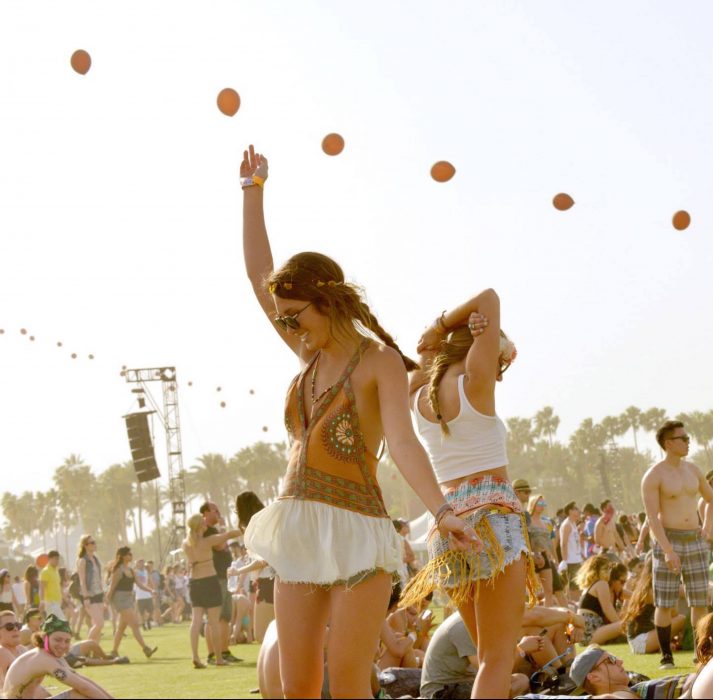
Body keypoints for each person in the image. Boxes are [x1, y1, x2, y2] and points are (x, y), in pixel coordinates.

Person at [240, 144, 477, 699]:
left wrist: (442, 511)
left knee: (348, 682)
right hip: (299, 523)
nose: (291, 327)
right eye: (286, 319)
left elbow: (402, 441)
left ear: (326, 303)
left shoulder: (379, 362)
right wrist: (253, 192)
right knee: (296, 684)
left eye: (297, 315)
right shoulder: (308, 353)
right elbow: (259, 276)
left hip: (360, 530)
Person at [403, 288, 540, 700]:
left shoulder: (416, 394)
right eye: (500, 360)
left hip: (447, 526)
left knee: (489, 657)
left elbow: (427, 349)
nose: (499, 371)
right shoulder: (473, 382)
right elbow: (491, 297)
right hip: (493, 518)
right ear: (481, 349)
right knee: (498, 659)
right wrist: (445, 326)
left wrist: (442, 328)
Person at [641, 419, 713, 669]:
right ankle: (666, 656)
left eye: (687, 437)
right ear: (668, 443)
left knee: (699, 601)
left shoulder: (692, 470)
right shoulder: (654, 475)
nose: (687, 441)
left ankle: (699, 653)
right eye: (682, 438)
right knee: (665, 602)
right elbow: (651, 517)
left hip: (694, 538)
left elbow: (710, 498)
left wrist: (707, 525)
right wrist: (668, 550)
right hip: (667, 539)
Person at [420, 611, 530, 699]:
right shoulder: (462, 626)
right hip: (442, 691)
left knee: (521, 680)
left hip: (461, 684)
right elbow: (489, 669)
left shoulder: (474, 622)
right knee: (505, 686)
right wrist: (522, 649)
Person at [2, 614, 113, 699]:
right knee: (78, 696)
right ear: (45, 638)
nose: (62, 645)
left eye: (67, 641)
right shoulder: (44, 659)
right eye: (57, 639)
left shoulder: (50, 655)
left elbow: (81, 679)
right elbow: (83, 687)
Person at [182, 513, 241, 669]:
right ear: (202, 525)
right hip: (210, 582)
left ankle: (195, 656)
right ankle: (219, 658)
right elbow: (228, 535)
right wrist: (245, 529)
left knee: (196, 622)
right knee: (213, 622)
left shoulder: (186, 544)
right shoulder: (208, 542)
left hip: (194, 583)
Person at [199, 502, 241, 664]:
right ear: (206, 512)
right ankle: (211, 654)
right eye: (215, 510)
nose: (218, 513)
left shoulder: (214, 530)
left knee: (225, 617)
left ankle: (224, 651)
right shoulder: (206, 530)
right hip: (214, 579)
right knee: (213, 618)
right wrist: (224, 529)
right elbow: (219, 545)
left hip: (225, 578)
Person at [622, 555, 686, 655]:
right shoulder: (651, 590)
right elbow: (673, 614)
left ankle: (668, 644)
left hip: (641, 640)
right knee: (681, 619)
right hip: (640, 642)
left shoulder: (646, 586)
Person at [236, 491, 275, 644]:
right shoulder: (267, 522)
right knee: (271, 636)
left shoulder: (258, 527)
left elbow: (263, 560)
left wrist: (238, 571)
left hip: (268, 582)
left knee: (263, 636)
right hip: (271, 581)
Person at [105, 547, 157, 661]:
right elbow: (112, 587)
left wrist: (151, 590)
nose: (131, 556)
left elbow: (139, 584)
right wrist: (106, 601)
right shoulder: (118, 570)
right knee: (135, 624)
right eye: (128, 554)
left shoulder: (131, 570)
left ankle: (114, 651)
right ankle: (145, 648)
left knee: (121, 627)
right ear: (123, 556)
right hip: (119, 599)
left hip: (129, 598)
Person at [575, 555, 624, 645]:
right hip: (591, 632)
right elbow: (607, 609)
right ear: (597, 571)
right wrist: (620, 626)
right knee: (626, 625)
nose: (609, 572)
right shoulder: (601, 584)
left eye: (609, 569)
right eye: (606, 569)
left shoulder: (588, 587)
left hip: (584, 634)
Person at [528, 494, 558, 606]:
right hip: (532, 557)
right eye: (540, 504)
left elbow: (549, 543)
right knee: (536, 591)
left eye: (543, 504)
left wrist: (555, 558)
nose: (542, 506)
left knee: (549, 590)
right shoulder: (528, 521)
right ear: (533, 504)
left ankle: (548, 613)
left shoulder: (545, 522)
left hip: (545, 556)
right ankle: (535, 615)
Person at [75, 535, 104, 644]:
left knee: (97, 624)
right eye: (92, 543)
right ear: (85, 546)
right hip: (89, 595)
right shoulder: (83, 561)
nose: (94, 544)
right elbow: (82, 580)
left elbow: (99, 578)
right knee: (99, 623)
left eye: (94, 542)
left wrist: (103, 593)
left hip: (99, 594)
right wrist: (86, 596)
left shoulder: (95, 559)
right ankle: (85, 648)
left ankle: (95, 650)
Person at [559, 502, 584, 602]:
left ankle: (575, 606)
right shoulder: (567, 525)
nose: (578, 511)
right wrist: (565, 560)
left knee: (578, 586)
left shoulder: (573, 524)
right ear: (570, 511)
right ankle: (575, 609)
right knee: (574, 588)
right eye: (575, 509)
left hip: (576, 559)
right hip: (570, 561)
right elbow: (563, 544)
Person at [0, 610, 26, 686]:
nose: (15, 629)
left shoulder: (23, 649)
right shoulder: (2, 652)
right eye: (9, 626)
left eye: (17, 625)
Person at [38, 552, 64, 621]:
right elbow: (42, 587)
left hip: (57, 601)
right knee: (61, 620)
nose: (57, 561)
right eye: (55, 559)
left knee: (53, 623)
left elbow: (58, 586)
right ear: (49, 559)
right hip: (50, 602)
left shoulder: (56, 571)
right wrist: (42, 601)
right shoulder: (45, 571)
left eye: (58, 559)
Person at [133, 559, 154, 632]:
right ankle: (143, 624)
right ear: (137, 564)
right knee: (141, 612)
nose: (142, 564)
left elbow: (149, 580)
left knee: (151, 609)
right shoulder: (134, 572)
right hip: (139, 595)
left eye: (142, 563)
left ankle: (148, 620)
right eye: (140, 563)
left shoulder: (146, 572)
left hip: (147, 594)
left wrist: (152, 589)